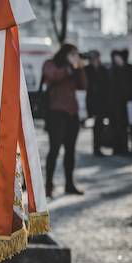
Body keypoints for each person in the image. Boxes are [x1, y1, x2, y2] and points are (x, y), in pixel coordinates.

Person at [42, 43, 86, 197]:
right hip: (56, 113)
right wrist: (69, 68)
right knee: (54, 150)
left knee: (70, 151)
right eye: (73, 54)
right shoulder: (50, 64)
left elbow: (83, 85)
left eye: (76, 54)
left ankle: (69, 184)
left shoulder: (74, 68)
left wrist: (79, 68)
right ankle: (48, 185)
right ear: (65, 53)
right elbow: (53, 76)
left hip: (72, 114)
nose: (75, 57)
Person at [109, 49, 132, 155]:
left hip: (129, 101)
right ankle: (121, 147)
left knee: (131, 126)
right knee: (120, 126)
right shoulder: (114, 70)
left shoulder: (130, 68)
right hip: (118, 103)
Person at [84, 50, 110, 156]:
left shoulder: (103, 69)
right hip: (91, 100)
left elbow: (107, 84)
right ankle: (96, 147)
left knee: (99, 125)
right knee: (96, 124)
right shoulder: (87, 69)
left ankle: (97, 147)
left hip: (101, 101)